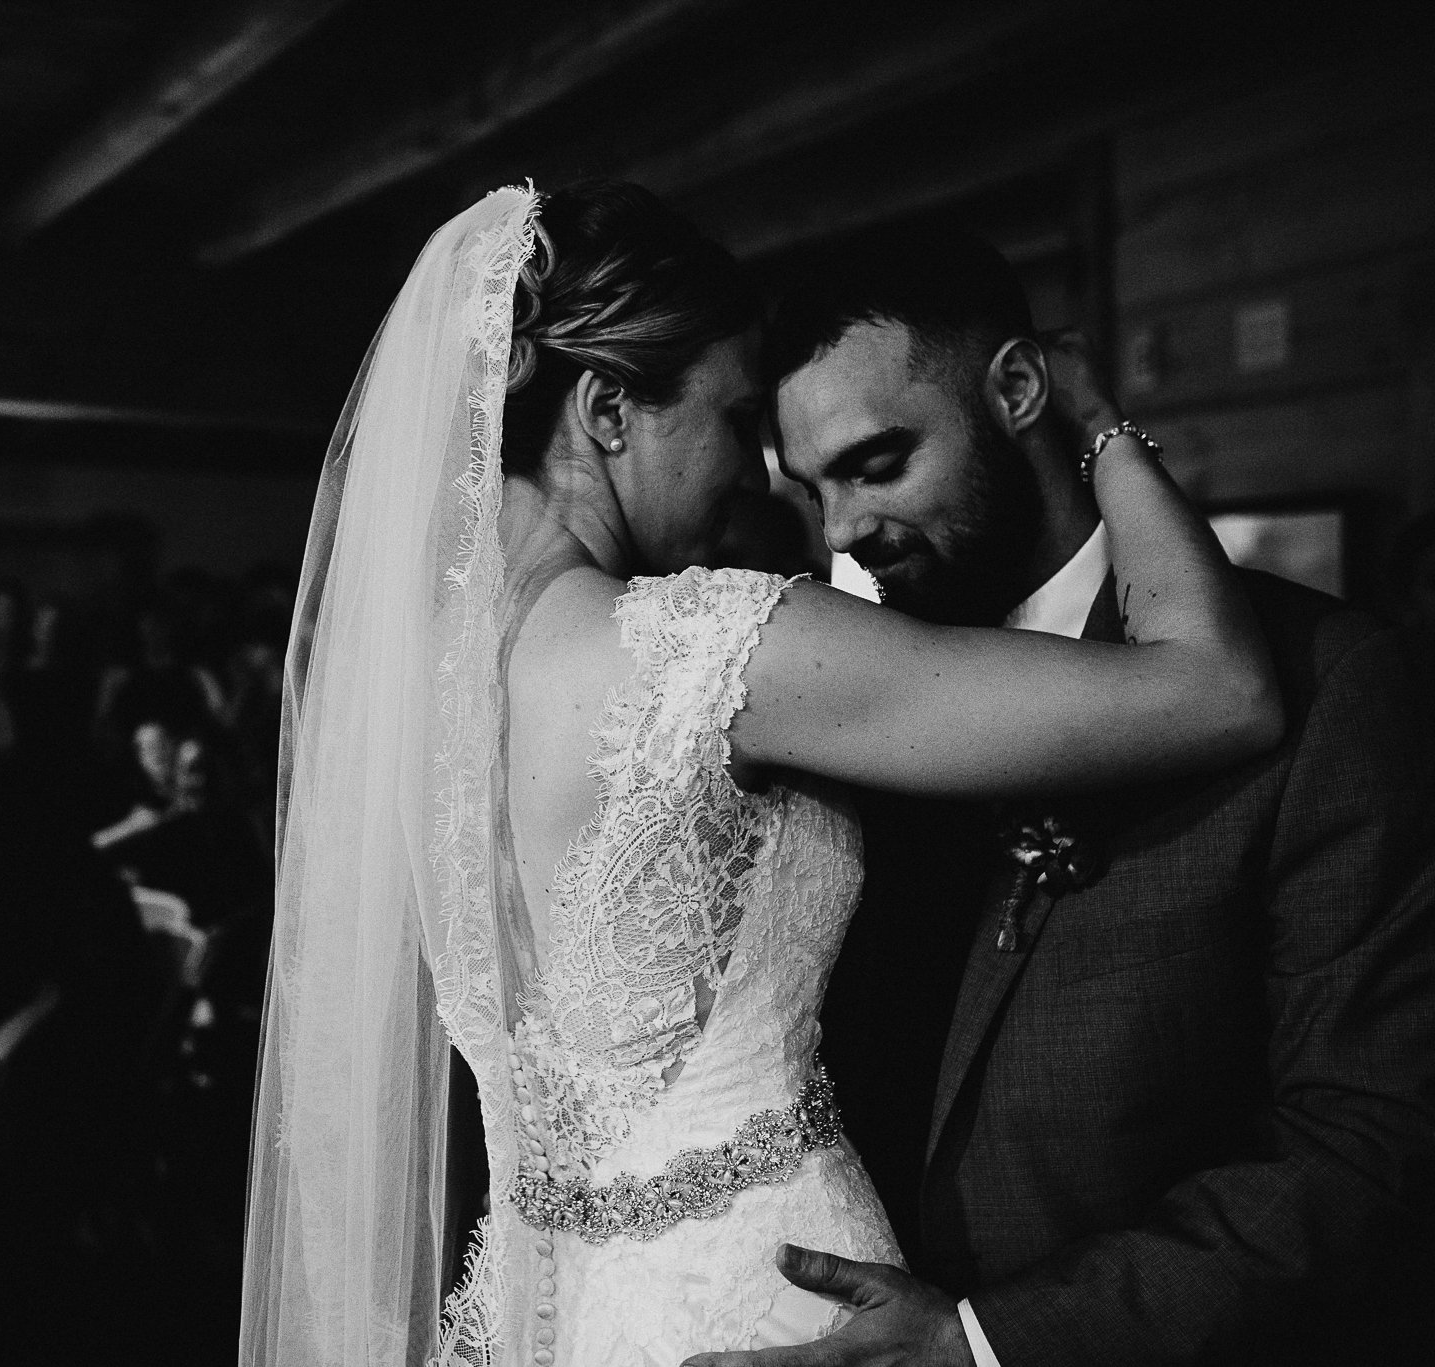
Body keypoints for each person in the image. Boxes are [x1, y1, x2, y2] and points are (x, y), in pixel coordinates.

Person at [241, 182, 1282, 1367]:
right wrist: (1096, 422)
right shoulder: (709, 647)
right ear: (606, 410)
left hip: (555, 1306)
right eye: (735, 422)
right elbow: (1218, 687)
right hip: (762, 1298)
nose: (760, 480)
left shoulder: (416, 694)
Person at [686, 225, 1435, 1366]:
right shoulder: (855, 699)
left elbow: (1370, 1140)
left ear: (1019, 389)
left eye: (877, 463)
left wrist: (989, 1340)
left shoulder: (1329, 682)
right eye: (815, 487)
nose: (840, 532)